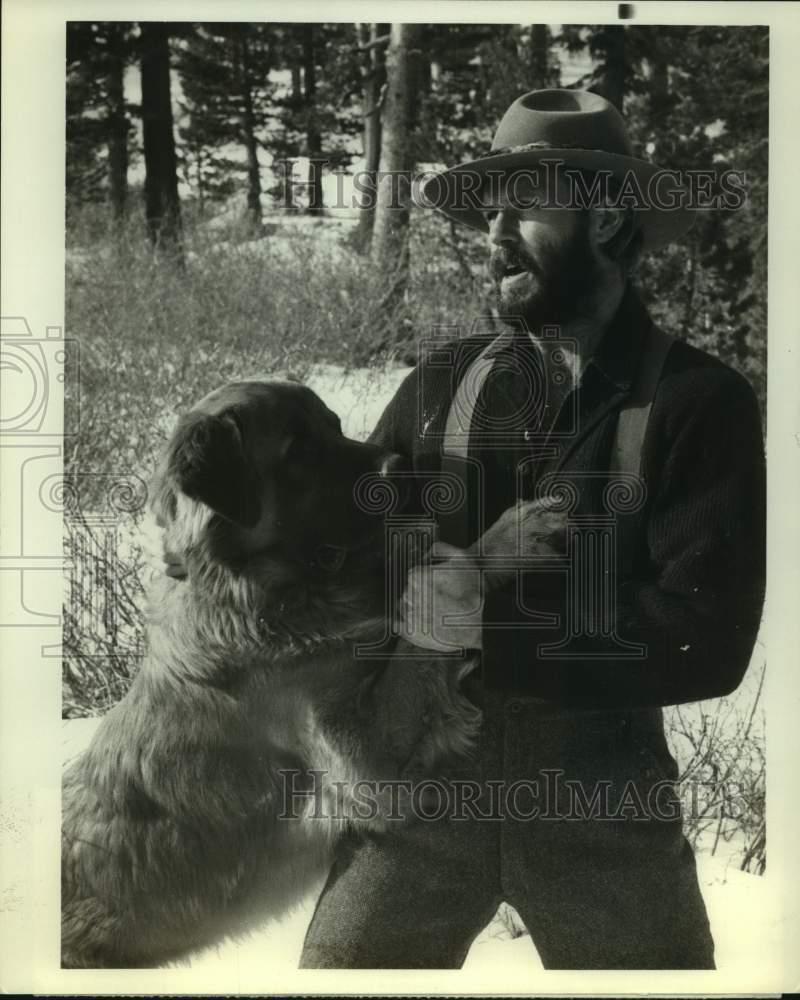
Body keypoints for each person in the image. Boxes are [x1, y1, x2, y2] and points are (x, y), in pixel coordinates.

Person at [300, 89, 766, 970]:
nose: (495, 229)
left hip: (602, 804)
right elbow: (343, 554)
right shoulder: (438, 386)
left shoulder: (698, 404)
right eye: (490, 208)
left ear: (610, 219)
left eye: (528, 204)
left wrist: (482, 621)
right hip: (420, 797)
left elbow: (705, 640)